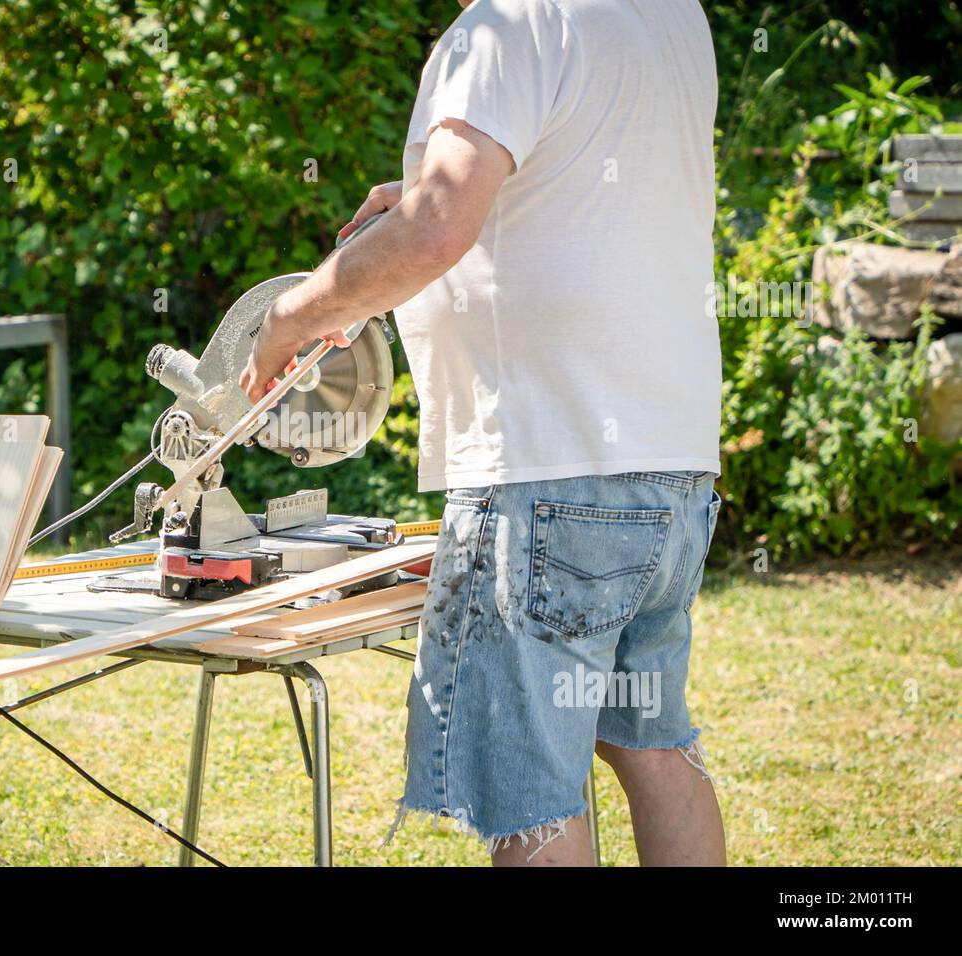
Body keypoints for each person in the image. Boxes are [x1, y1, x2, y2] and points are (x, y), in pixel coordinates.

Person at [241, 0, 725, 866]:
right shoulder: (670, 14)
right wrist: (435, 203)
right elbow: (589, 186)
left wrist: (290, 316)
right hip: (670, 460)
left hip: (545, 464)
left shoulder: (505, 24)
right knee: (656, 749)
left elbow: (435, 231)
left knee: (528, 795)